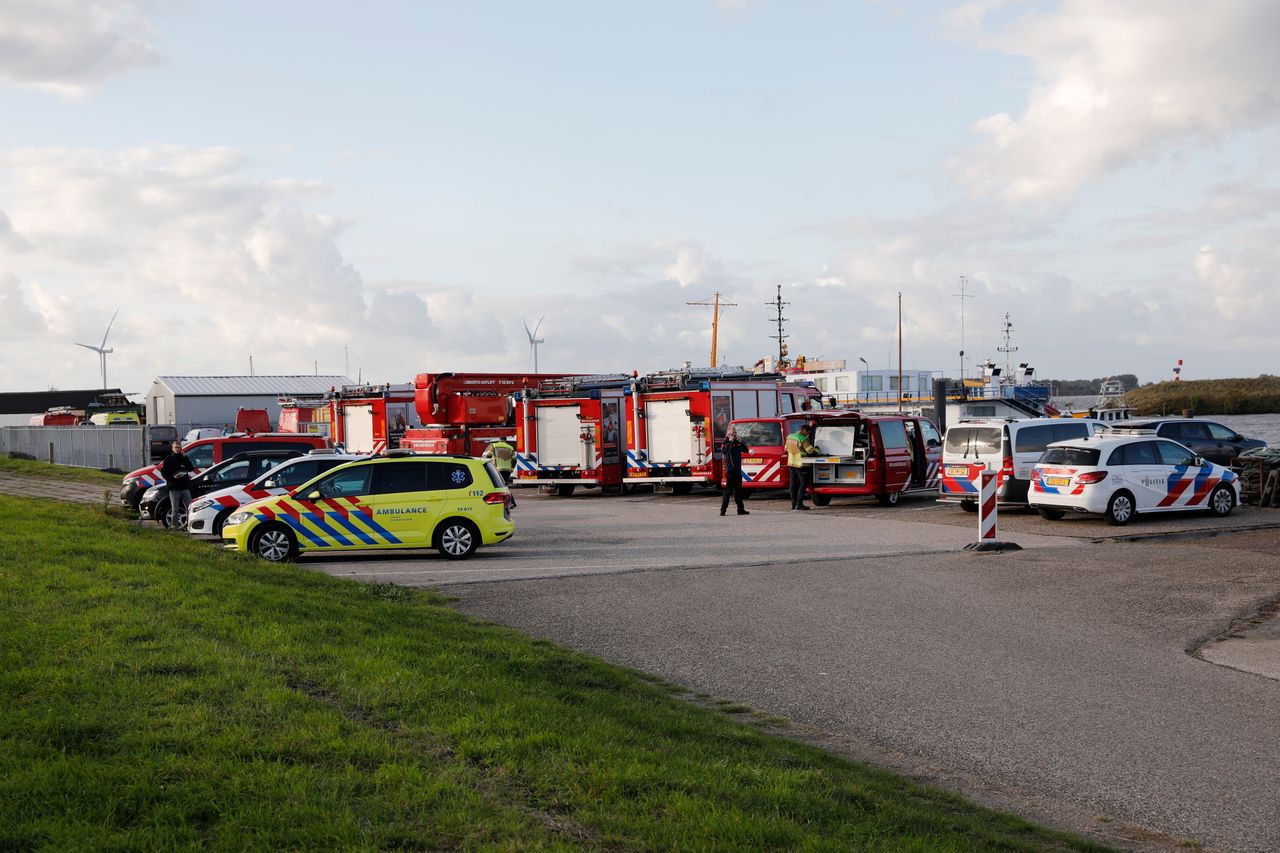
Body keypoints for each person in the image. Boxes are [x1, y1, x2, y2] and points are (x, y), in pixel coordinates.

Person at [159, 439, 194, 528]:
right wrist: (172, 477)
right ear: (172, 448)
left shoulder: (183, 458)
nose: (177, 449)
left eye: (179, 447)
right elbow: (163, 473)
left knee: (189, 508)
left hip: (185, 487)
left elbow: (190, 468)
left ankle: (190, 526)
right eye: (176, 447)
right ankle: (174, 527)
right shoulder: (168, 459)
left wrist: (185, 457)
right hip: (174, 487)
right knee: (175, 509)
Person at [785, 423, 817, 511]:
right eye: (808, 433)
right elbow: (810, 451)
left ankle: (793, 503)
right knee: (803, 484)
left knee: (793, 484)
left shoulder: (790, 437)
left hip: (791, 463)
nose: (808, 435)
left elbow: (786, 449)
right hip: (800, 464)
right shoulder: (803, 438)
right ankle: (799, 504)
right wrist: (817, 449)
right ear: (805, 430)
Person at [719, 427, 749, 516]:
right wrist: (730, 442)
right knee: (728, 491)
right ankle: (723, 510)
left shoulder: (738, 443)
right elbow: (725, 452)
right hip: (730, 471)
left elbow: (746, 450)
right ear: (728, 434)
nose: (734, 434)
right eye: (733, 433)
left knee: (738, 491)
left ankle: (740, 509)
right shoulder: (725, 443)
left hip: (737, 470)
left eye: (735, 433)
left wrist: (741, 441)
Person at [482, 438, 518, 508]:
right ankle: (510, 503)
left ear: (499, 440)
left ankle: (510, 503)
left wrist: (489, 466)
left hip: (497, 469)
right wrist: (512, 468)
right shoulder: (510, 447)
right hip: (507, 470)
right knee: (504, 486)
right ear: (505, 441)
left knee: (501, 486)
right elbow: (514, 459)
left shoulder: (494, 446)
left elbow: (488, 456)